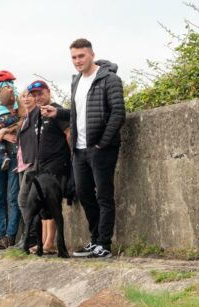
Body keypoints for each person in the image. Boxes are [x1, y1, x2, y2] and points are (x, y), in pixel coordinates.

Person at [45, 38, 125, 258]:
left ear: (91, 54)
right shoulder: (77, 80)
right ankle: (95, 240)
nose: (77, 61)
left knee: (104, 196)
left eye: (81, 56)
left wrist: (102, 143)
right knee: (84, 193)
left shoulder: (109, 79)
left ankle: (104, 244)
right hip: (79, 150)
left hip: (101, 148)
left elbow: (118, 113)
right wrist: (58, 113)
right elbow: (77, 112)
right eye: (73, 57)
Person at [25, 80, 72, 254]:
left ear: (48, 92)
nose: (37, 97)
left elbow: (68, 134)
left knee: (52, 203)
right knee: (43, 204)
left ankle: (50, 242)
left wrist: (72, 160)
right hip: (43, 166)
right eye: (34, 95)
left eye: (40, 93)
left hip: (58, 164)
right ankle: (44, 241)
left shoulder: (57, 110)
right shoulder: (38, 113)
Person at [0, 70, 26, 249]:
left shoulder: (17, 102)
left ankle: (10, 236)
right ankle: (0, 236)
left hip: (15, 153)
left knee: (13, 197)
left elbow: (23, 120)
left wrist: (7, 131)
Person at [14, 89, 37, 249]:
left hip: (33, 164)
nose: (27, 99)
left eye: (30, 95)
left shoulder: (37, 115)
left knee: (23, 200)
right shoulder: (24, 118)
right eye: (23, 96)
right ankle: (28, 236)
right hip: (22, 164)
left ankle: (31, 236)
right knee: (25, 201)